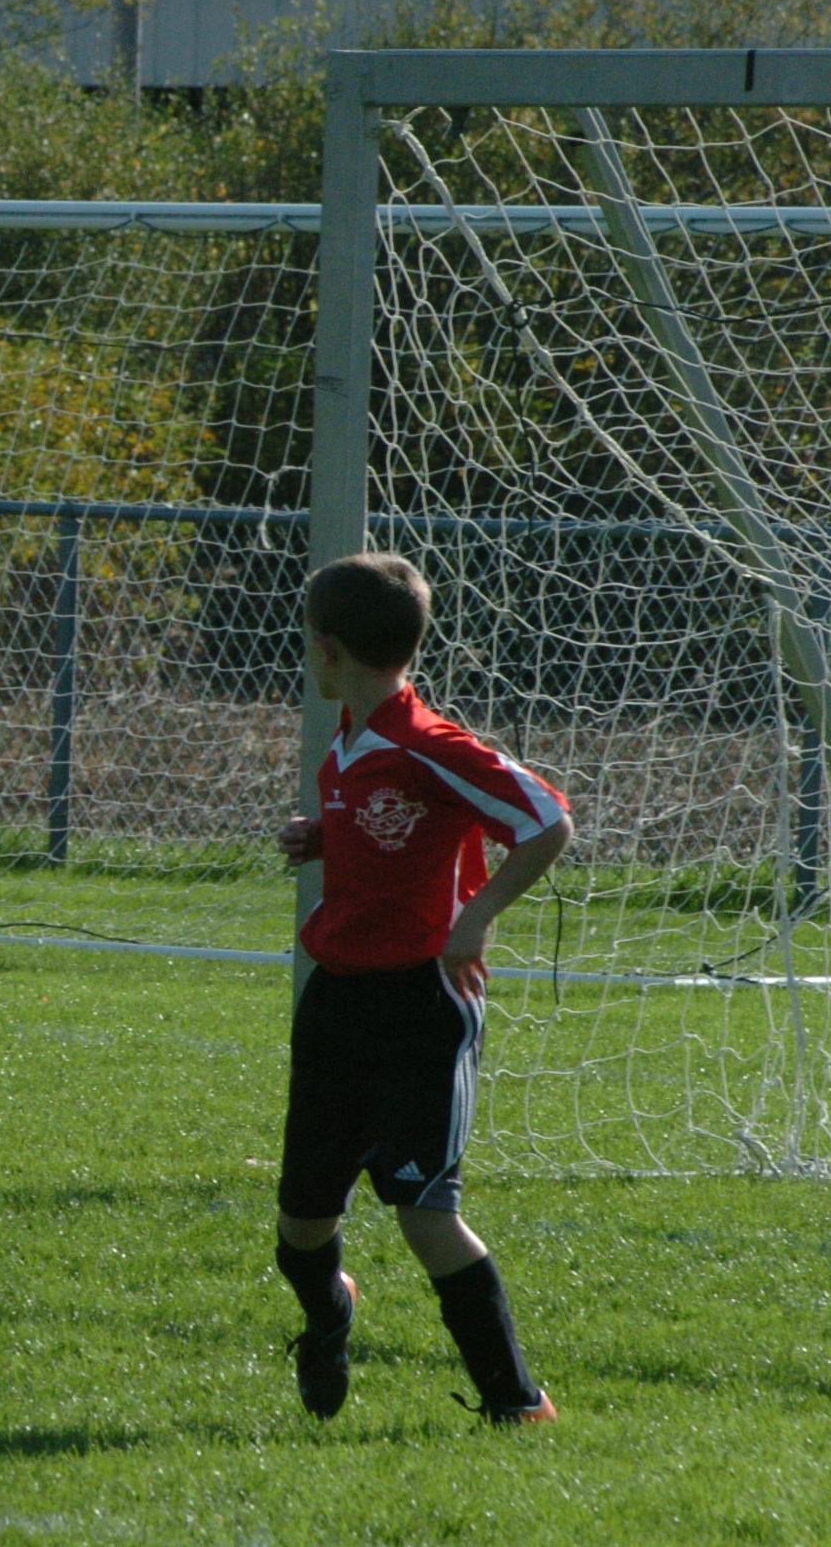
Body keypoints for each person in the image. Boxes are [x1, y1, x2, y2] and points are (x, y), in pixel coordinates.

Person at [272, 552, 573, 1424]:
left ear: (327, 648)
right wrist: (326, 838)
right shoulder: (353, 737)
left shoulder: (426, 742)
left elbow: (546, 819)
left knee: (424, 1214)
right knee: (300, 1227)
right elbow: (399, 829)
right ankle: (332, 1310)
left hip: (421, 1006)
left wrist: (476, 918)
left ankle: (517, 1403)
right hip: (335, 998)